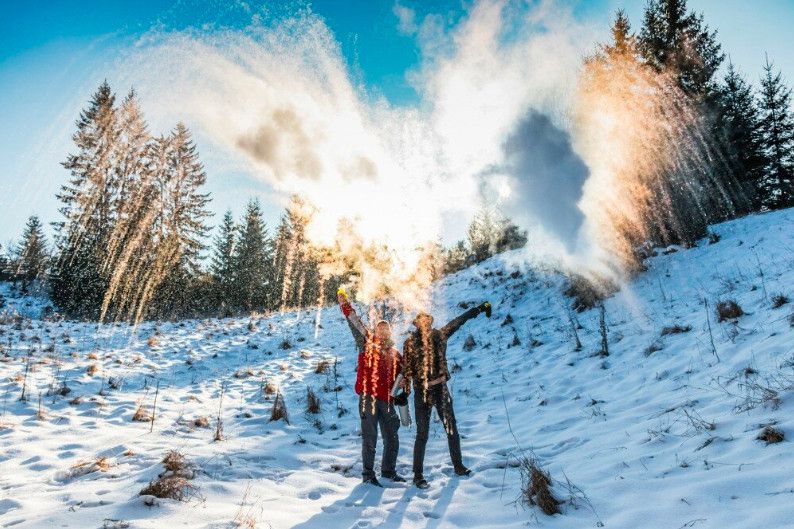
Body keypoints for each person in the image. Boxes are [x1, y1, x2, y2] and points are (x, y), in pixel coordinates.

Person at [403, 301, 491, 489]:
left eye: (427, 319)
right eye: (420, 320)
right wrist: (405, 392)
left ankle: (458, 467)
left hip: (441, 389)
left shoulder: (439, 335)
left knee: (452, 429)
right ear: (416, 324)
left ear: (430, 322)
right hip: (421, 392)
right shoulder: (409, 342)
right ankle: (417, 476)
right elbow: (407, 370)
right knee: (422, 435)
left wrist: (478, 309)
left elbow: (459, 321)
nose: (424, 322)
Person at [338, 288, 406, 487]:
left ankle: (388, 471)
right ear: (376, 331)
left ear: (390, 332)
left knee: (392, 436)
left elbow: (404, 376)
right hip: (369, 398)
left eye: (387, 329)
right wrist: (344, 304)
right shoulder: (367, 342)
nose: (383, 331)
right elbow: (354, 321)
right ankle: (368, 475)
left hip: (388, 400)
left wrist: (404, 383)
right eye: (380, 328)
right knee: (370, 438)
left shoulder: (395, 353)